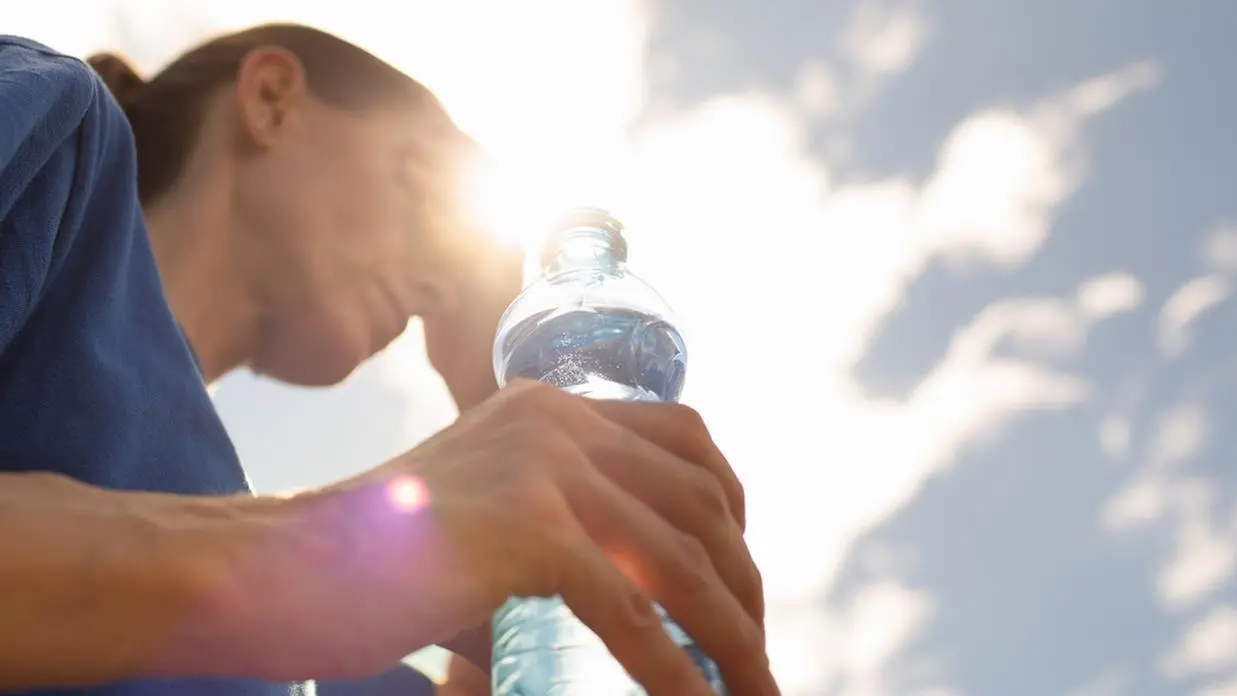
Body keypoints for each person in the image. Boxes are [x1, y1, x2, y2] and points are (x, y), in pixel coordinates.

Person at [0, 23, 775, 696]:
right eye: (425, 186)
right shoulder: (56, 128)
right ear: (271, 98)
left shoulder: (300, 629)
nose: (438, 274)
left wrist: (500, 392)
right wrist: (308, 550)